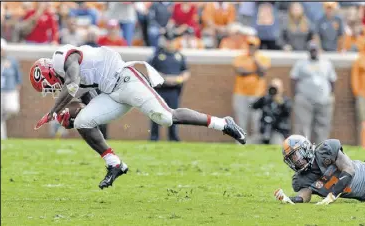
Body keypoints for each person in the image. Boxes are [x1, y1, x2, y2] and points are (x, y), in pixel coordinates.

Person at [28, 43, 246, 189]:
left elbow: (73, 84)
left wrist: (53, 111)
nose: (51, 89)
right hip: (111, 93)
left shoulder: (64, 59)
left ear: (48, 71)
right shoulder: (68, 77)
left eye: (47, 85)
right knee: (84, 121)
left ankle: (222, 123)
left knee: (166, 117)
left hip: (126, 80)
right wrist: (70, 118)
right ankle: (115, 164)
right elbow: (86, 99)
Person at [274, 135, 365, 204]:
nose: (297, 160)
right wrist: (290, 200)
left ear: (306, 148)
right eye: (292, 159)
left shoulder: (325, 150)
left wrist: (333, 194)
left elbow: (349, 170)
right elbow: (304, 195)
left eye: (297, 155)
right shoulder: (302, 179)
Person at [290, 41, 337, 145]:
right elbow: (293, 79)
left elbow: (332, 80)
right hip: (305, 100)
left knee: (322, 127)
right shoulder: (301, 63)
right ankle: (301, 150)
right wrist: (296, 95)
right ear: (308, 51)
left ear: (319, 50)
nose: (313, 52)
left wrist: (331, 95)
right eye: (311, 50)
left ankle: (321, 150)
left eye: (315, 50)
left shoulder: (326, 63)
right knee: (302, 127)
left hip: (324, 100)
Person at [148, 31, 191, 141]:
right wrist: (165, 78)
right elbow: (151, 71)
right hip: (159, 90)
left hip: (174, 90)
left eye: (171, 41)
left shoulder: (180, 56)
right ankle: (154, 136)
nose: (169, 43)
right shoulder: (158, 55)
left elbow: (186, 71)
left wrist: (178, 79)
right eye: (167, 40)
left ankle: (173, 136)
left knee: (173, 114)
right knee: (156, 113)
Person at [232, 36, 271, 144]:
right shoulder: (240, 57)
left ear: (257, 46)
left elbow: (263, 71)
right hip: (241, 93)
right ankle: (240, 143)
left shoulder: (262, 58)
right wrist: (255, 73)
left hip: (257, 94)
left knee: (257, 121)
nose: (250, 47)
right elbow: (240, 71)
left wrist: (255, 60)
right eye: (249, 45)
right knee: (241, 121)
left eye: (253, 45)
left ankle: (255, 144)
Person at [251, 78, 292, 145]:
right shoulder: (266, 99)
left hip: (278, 131)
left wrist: (280, 102)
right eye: (273, 86)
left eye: (277, 87)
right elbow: (253, 106)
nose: (274, 89)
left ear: (281, 89)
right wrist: (264, 97)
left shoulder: (286, 100)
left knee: (277, 144)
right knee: (250, 144)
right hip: (263, 132)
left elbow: (287, 111)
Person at [1, 38, 22, 140]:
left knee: (13, 109)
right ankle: (2, 137)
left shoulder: (12, 60)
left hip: (10, 90)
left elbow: (18, 75)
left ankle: (3, 116)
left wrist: (18, 86)